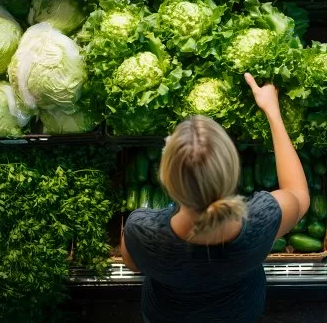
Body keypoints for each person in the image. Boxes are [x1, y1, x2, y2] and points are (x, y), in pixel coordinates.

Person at [121, 73, 310, 323]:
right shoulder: (262, 218)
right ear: (233, 172)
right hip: (239, 312)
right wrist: (273, 113)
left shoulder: (140, 230)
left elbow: (133, 265)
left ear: (166, 180)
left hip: (167, 315)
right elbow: (299, 195)